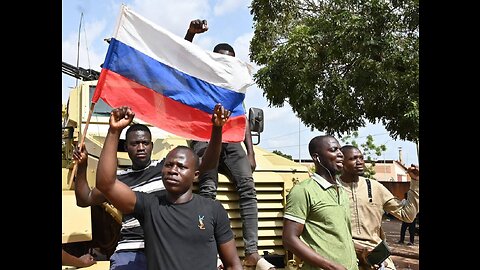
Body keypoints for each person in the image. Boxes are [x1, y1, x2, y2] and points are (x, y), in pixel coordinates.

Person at [95, 105, 243, 270]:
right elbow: (106, 184)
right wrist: (114, 131)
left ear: (195, 174)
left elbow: (233, 264)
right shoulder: (150, 207)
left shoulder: (213, 209)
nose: (173, 170)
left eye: (181, 166)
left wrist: (217, 130)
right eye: (169, 165)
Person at [184, 19, 273, 270]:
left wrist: (250, 152)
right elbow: (181, 57)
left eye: (231, 60)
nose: (228, 63)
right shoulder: (200, 78)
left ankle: (252, 252)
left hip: (232, 141)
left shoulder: (236, 85)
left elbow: (242, 119)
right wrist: (190, 33)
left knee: (247, 186)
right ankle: (210, 249)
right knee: (208, 189)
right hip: (205, 139)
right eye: (222, 59)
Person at [283, 135, 358, 270]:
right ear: (316, 157)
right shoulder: (303, 191)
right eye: (334, 150)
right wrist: (330, 266)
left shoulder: (341, 191)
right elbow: (289, 239)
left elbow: (340, 237)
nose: (340, 154)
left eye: (340, 150)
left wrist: (361, 255)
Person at [339, 145, 419, 270]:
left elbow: (407, 215)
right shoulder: (332, 189)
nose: (360, 162)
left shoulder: (375, 187)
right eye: (353, 158)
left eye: (361, 158)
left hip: (376, 255)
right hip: (344, 254)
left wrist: (415, 182)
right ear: (341, 162)